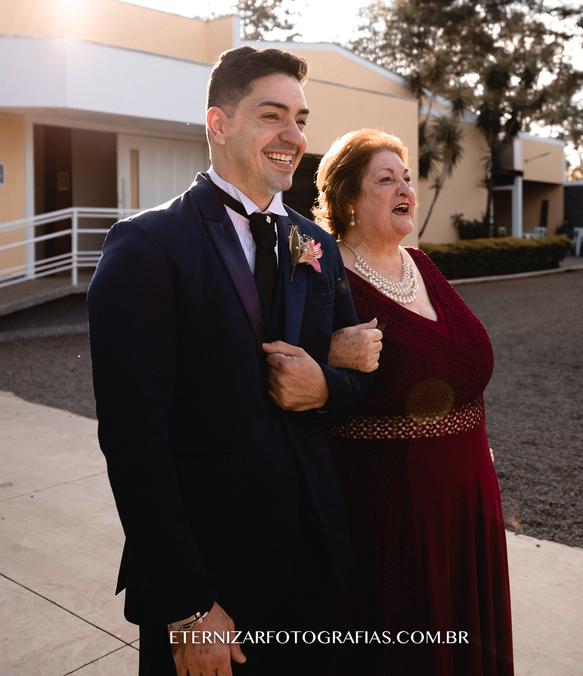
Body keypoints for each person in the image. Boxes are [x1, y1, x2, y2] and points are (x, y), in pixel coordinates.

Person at [88, 47, 378, 676]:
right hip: (212, 574)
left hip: (314, 563)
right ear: (218, 123)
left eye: (300, 119)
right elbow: (134, 442)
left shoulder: (319, 245)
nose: (293, 136)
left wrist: (323, 387)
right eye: (273, 115)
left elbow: (358, 385)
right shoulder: (146, 246)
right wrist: (187, 606)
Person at [316, 128, 514, 676]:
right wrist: (326, 352)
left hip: (469, 495)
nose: (405, 187)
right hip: (393, 506)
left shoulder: (420, 264)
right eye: (386, 179)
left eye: (406, 178)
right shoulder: (324, 279)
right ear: (348, 198)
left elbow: (460, 368)